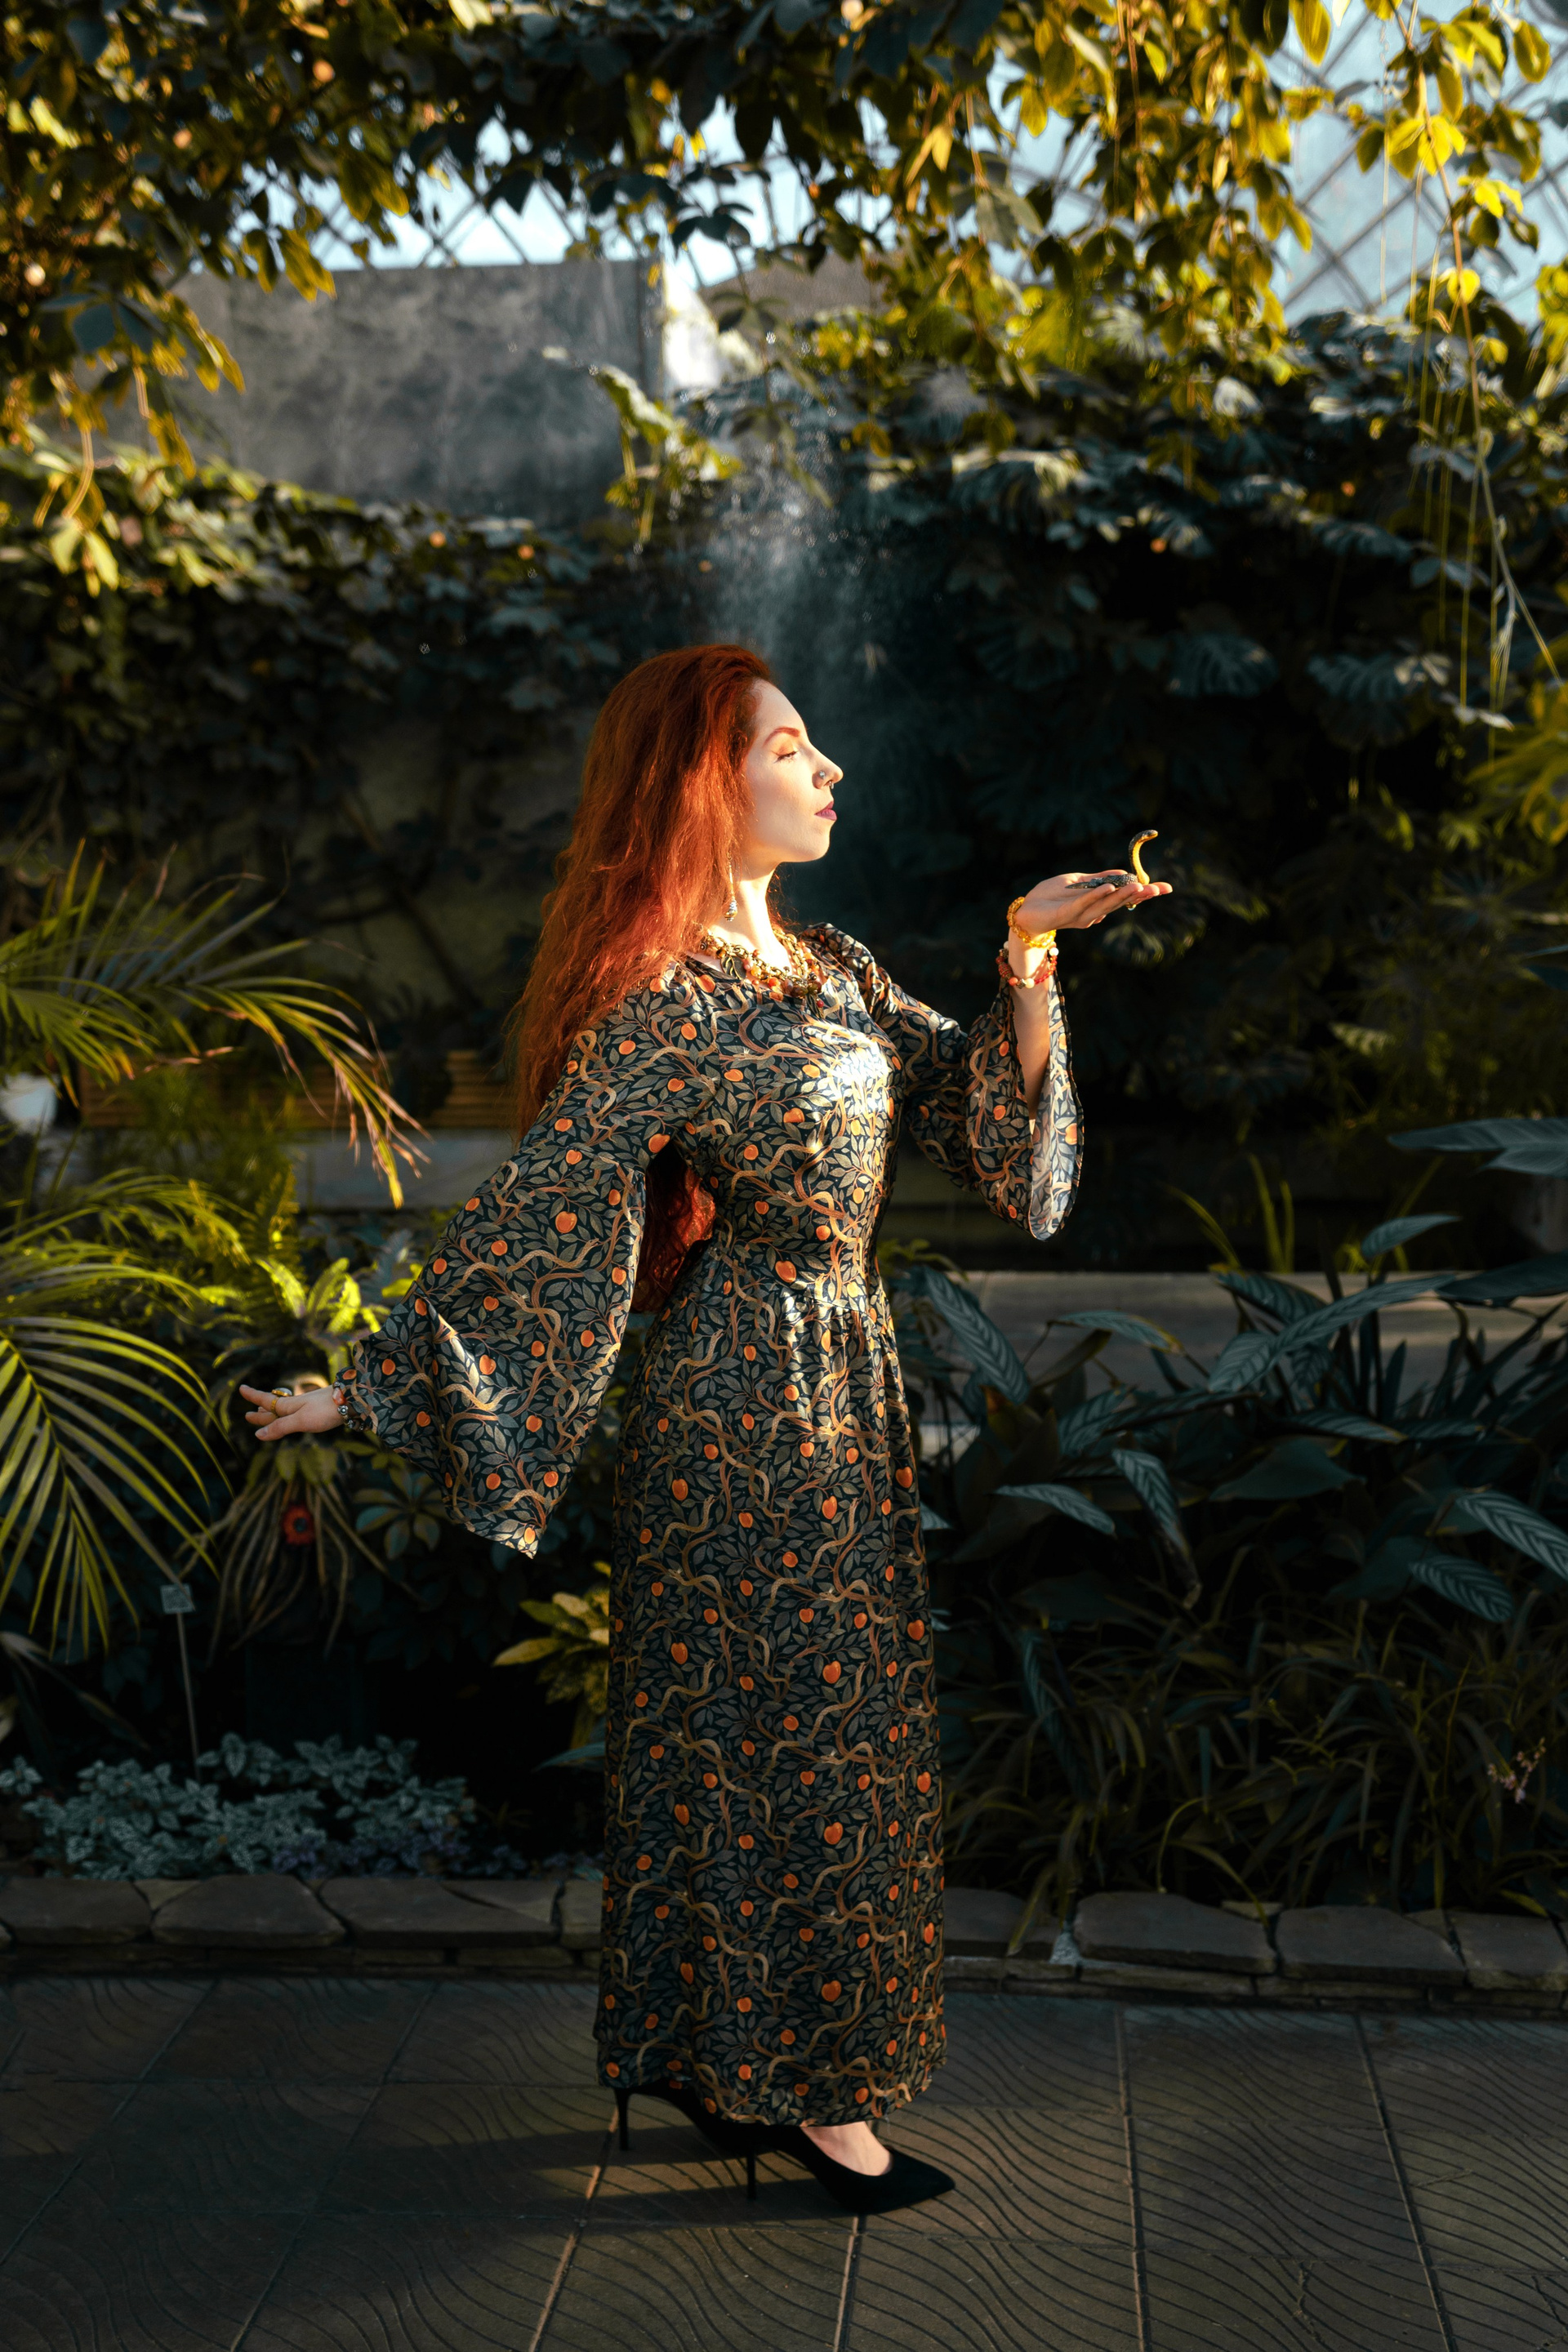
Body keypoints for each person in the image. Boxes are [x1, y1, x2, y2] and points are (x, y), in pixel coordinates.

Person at [243, 643, 1169, 2215]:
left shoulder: (832, 968)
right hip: (737, 1397)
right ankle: (814, 2092)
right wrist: (375, 1384)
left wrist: (1026, 950)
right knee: (774, 1737)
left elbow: (1000, 1145)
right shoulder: (665, 1002)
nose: (828, 770)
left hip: (842, 1378)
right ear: (701, 782)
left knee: (827, 1729)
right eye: (790, 747)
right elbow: (551, 1208)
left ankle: (727, 2054)